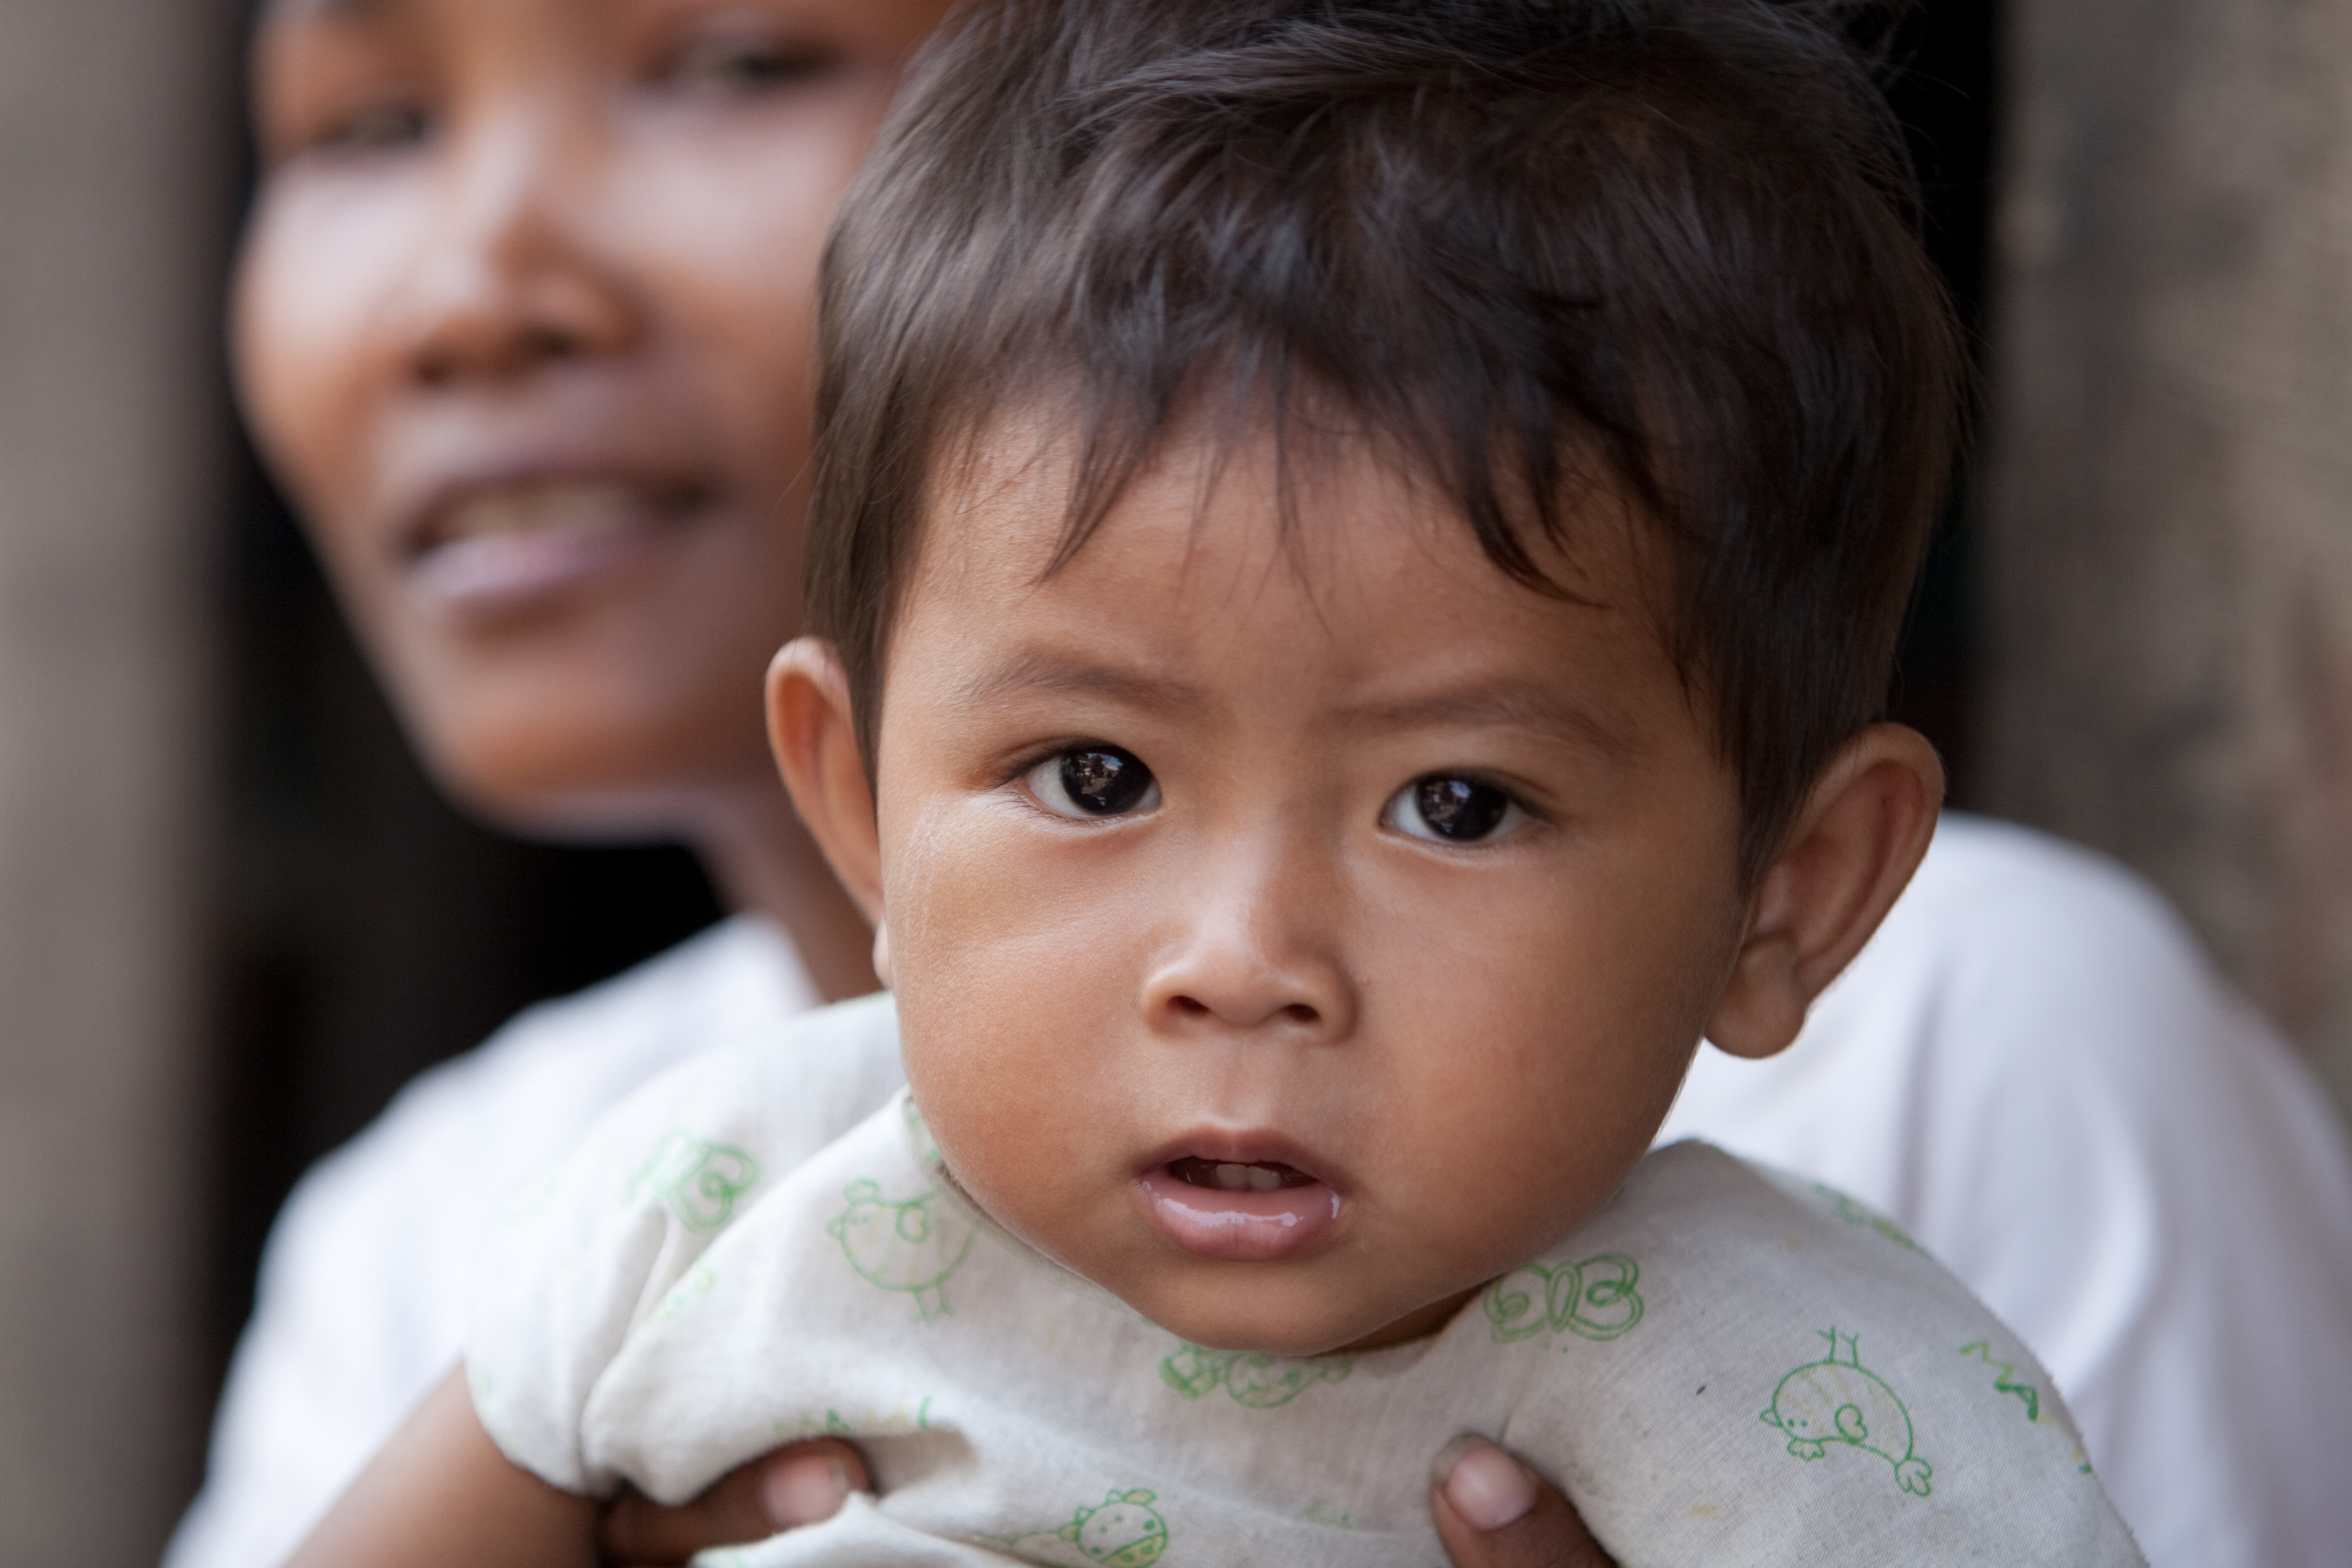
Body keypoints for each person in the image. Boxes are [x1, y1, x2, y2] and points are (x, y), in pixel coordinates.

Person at [175, 0, 2352, 1563]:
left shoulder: (1814, 1382)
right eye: (1097, 770)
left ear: (1790, 895)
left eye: (1458, 806)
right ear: (851, 790)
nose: (1249, 963)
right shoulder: (679, 1213)